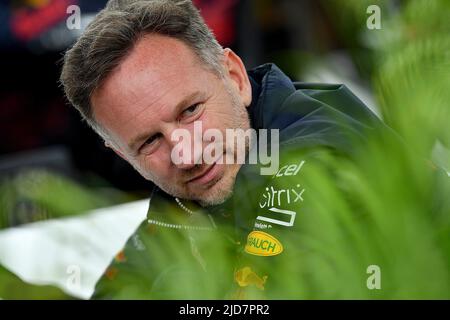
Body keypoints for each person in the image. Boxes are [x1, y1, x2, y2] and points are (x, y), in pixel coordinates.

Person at [60, 0, 390, 299]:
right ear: (122, 155)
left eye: (190, 111)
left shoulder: (319, 151)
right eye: (149, 141)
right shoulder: (179, 207)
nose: (187, 156)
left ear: (235, 78)